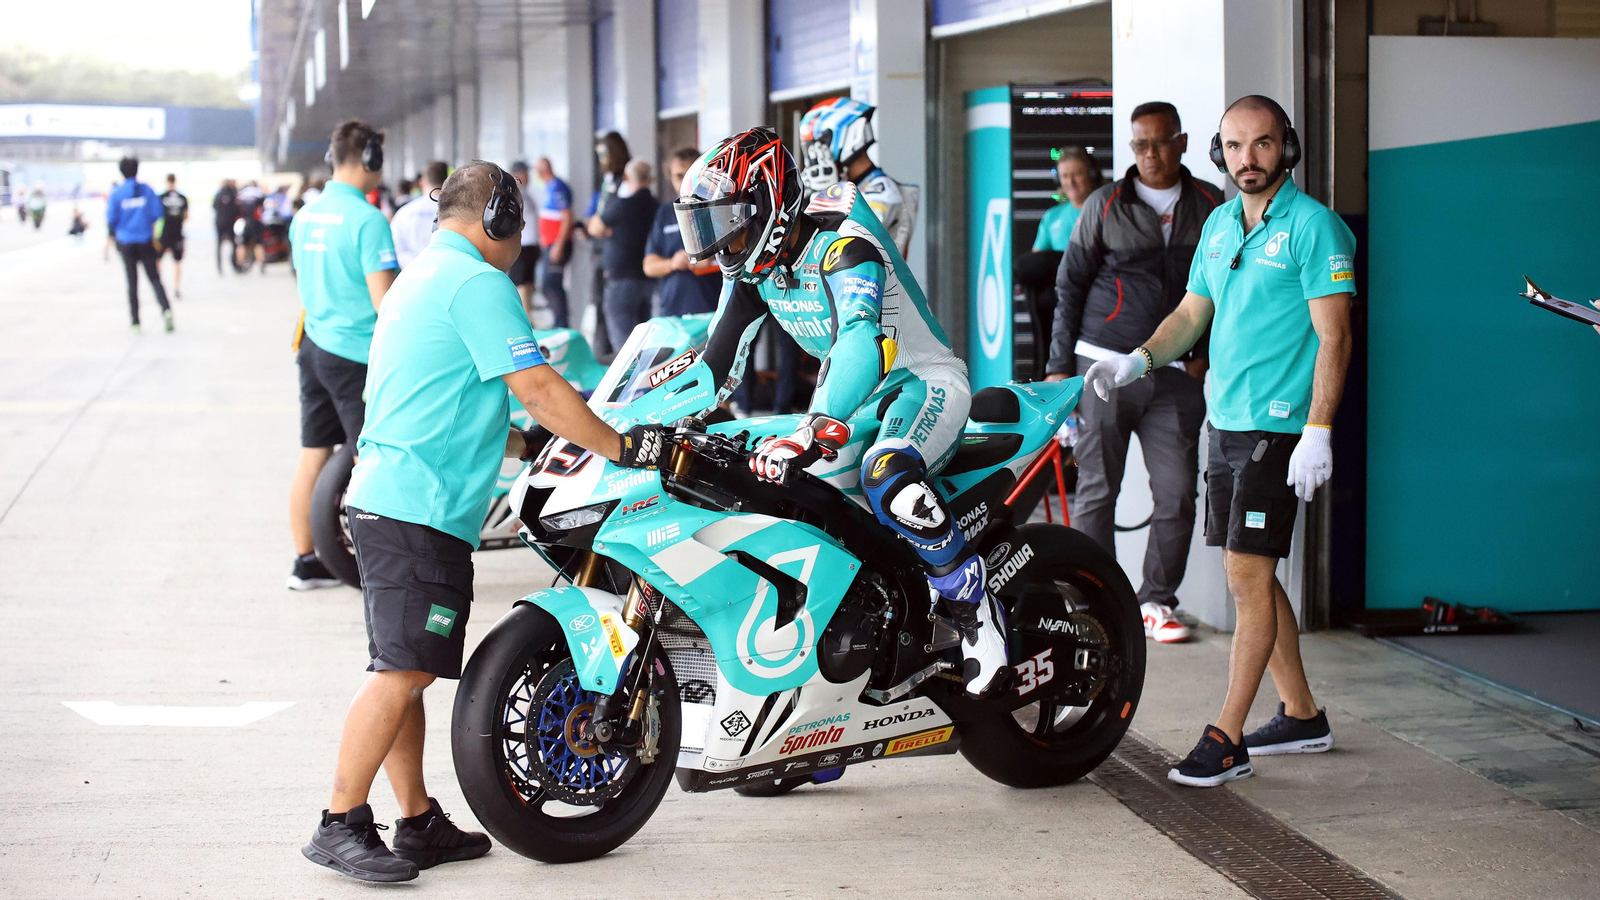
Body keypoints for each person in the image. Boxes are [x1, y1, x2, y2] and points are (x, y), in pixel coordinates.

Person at [301, 161, 669, 883]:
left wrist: (525, 443)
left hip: (386, 497)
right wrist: (623, 446)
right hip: (418, 510)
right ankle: (339, 821)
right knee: (403, 669)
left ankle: (415, 821)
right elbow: (535, 386)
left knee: (402, 667)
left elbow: (441, 395)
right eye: (519, 223)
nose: (521, 239)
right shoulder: (479, 284)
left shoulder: (419, 277)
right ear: (496, 218)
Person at [677, 128, 1009, 697]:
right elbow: (714, 365)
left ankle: (973, 603)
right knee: (786, 496)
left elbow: (860, 340)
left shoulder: (845, 241)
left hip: (920, 381)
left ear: (765, 206)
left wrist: (815, 425)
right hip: (856, 397)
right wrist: (631, 421)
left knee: (887, 474)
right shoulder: (753, 270)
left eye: (726, 226)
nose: (719, 247)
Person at [1086, 96, 1353, 788]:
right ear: (1218, 153)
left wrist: (1317, 430)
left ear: (1285, 148)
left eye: (1262, 145)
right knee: (1253, 573)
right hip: (1224, 421)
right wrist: (1137, 359)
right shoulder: (1219, 224)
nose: (1248, 161)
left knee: (1245, 573)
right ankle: (1299, 714)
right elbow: (1190, 313)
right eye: (1234, 147)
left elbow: (1335, 337)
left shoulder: (1315, 229)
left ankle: (1227, 735)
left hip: (1279, 427)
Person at [1044, 101, 1224, 645]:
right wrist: (1057, 368)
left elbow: (1225, 290)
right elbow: (1068, 286)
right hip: (1103, 363)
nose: (1149, 154)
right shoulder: (1105, 204)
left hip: (1174, 374)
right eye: (1139, 145)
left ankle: (1155, 602)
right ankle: (1093, 600)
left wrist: (1204, 353)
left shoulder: (1212, 206)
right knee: (1099, 489)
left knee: (1177, 494)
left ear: (1183, 142)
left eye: (1160, 143)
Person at [284, 120, 399, 592]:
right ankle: (377, 564)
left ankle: (306, 561)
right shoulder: (368, 220)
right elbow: (385, 303)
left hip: (312, 345)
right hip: (354, 354)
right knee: (372, 457)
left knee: (314, 454)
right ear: (369, 159)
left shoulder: (305, 215)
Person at [797, 97, 917, 257]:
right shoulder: (849, 186)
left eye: (818, 146)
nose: (814, 156)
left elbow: (848, 245)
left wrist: (827, 198)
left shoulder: (883, 192)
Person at [643, 147, 722, 317]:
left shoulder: (718, 208)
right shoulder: (665, 213)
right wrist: (672, 263)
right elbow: (649, 266)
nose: (685, 181)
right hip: (672, 314)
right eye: (679, 176)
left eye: (690, 174)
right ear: (670, 177)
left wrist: (712, 256)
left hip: (713, 312)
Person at [595, 159, 659, 350]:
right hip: (648, 279)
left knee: (623, 343)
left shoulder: (622, 205)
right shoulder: (657, 206)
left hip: (621, 278)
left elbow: (596, 227)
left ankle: (628, 379)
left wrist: (610, 231)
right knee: (645, 339)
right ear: (651, 179)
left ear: (626, 178)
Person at [105, 157, 174, 333]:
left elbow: (111, 219)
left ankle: (135, 321)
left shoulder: (117, 192)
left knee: (132, 282)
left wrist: (124, 227)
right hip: (145, 240)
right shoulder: (147, 190)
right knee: (154, 278)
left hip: (127, 242)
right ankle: (166, 310)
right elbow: (157, 213)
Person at [583, 131, 631, 354]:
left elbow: (606, 222)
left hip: (617, 256)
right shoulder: (607, 181)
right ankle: (603, 357)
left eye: (605, 154)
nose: (602, 161)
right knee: (599, 306)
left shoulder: (625, 179)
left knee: (615, 311)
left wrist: (599, 225)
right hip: (599, 250)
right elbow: (595, 221)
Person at [1033, 146, 1102, 252]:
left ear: (1091, 175)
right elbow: (1036, 259)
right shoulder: (1051, 216)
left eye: (1076, 174)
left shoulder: (1105, 212)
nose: (1070, 182)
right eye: (1065, 176)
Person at [533, 157, 574, 328]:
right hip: (550, 244)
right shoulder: (549, 186)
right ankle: (559, 322)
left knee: (551, 285)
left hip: (557, 245)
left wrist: (558, 245)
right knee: (548, 284)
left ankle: (562, 324)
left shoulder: (557, 186)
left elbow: (568, 216)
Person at [389, 160, 446, 269]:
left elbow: (395, 248)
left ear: (421, 182)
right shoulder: (457, 212)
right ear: (447, 180)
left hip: (411, 274)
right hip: (446, 274)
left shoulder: (404, 213)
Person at [507, 161, 543, 321]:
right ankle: (524, 318)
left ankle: (527, 317)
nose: (528, 176)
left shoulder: (525, 192)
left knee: (528, 284)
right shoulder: (513, 193)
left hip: (530, 246)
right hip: (522, 246)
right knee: (521, 284)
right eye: (524, 173)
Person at [157, 174, 189, 300]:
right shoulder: (182, 198)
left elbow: (155, 216)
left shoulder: (161, 197)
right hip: (177, 234)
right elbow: (186, 216)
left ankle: (159, 286)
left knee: (158, 260)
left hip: (164, 234)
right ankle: (176, 288)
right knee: (177, 262)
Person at [237, 181, 266, 271]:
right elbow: (263, 208)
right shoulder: (259, 192)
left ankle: (239, 264)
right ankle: (261, 264)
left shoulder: (242, 193)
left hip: (245, 222)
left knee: (241, 244)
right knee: (259, 243)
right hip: (256, 222)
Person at [213, 179, 240, 275]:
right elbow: (237, 209)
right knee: (234, 244)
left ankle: (219, 266)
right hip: (230, 223)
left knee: (219, 246)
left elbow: (214, 206)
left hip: (220, 223)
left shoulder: (218, 194)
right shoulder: (233, 194)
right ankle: (234, 264)